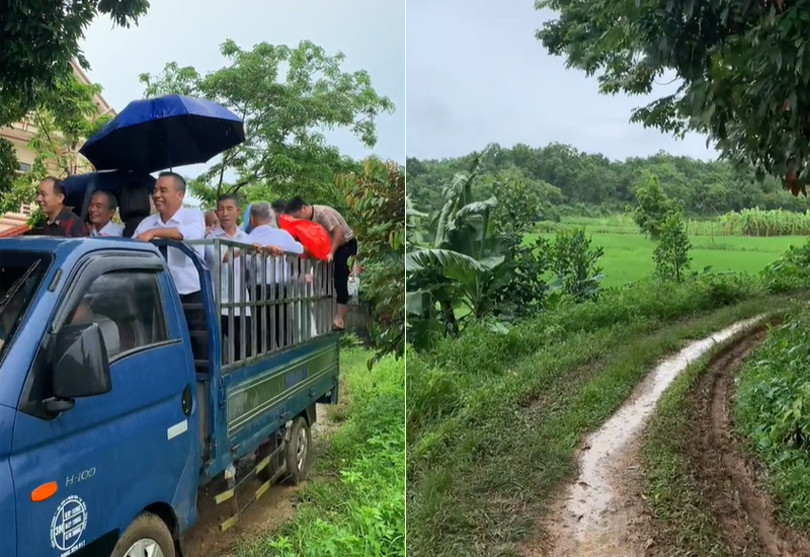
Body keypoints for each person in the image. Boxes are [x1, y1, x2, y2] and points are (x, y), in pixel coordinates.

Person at [132, 172, 207, 365]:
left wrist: (155, 233)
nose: (157, 195)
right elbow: (133, 245)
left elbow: (192, 234)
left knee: (198, 344)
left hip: (189, 294)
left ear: (180, 195)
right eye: (155, 190)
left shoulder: (193, 216)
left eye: (163, 190)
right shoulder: (146, 223)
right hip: (156, 295)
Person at [285, 197, 357, 330]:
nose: (298, 220)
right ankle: (327, 315)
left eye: (298, 217)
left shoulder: (323, 213)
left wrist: (331, 253)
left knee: (340, 277)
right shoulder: (305, 222)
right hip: (327, 248)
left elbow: (339, 232)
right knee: (322, 279)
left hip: (345, 245)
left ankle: (340, 318)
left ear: (304, 209)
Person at [247, 202, 303, 350]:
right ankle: (287, 356)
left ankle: (263, 356)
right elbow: (299, 249)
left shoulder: (247, 239)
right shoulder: (282, 235)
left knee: (261, 331)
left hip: (257, 289)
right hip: (280, 288)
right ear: (271, 217)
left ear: (251, 219)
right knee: (283, 328)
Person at [204, 194, 252, 362]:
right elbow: (221, 258)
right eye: (221, 209)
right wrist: (243, 250)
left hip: (241, 304)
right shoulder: (210, 238)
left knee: (243, 352)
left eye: (229, 209)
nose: (225, 213)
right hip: (217, 304)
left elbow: (254, 266)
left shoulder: (246, 238)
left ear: (237, 212)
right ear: (216, 212)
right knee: (216, 353)